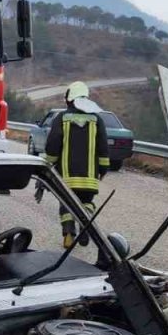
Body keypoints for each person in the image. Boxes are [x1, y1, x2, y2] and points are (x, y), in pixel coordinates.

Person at [41, 81, 110, 248]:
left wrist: (47, 165)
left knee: (66, 203)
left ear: (69, 98)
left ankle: (68, 233)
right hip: (89, 177)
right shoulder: (97, 119)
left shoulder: (62, 118)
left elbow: (52, 146)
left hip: (66, 176)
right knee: (87, 202)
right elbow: (103, 147)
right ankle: (85, 229)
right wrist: (103, 168)